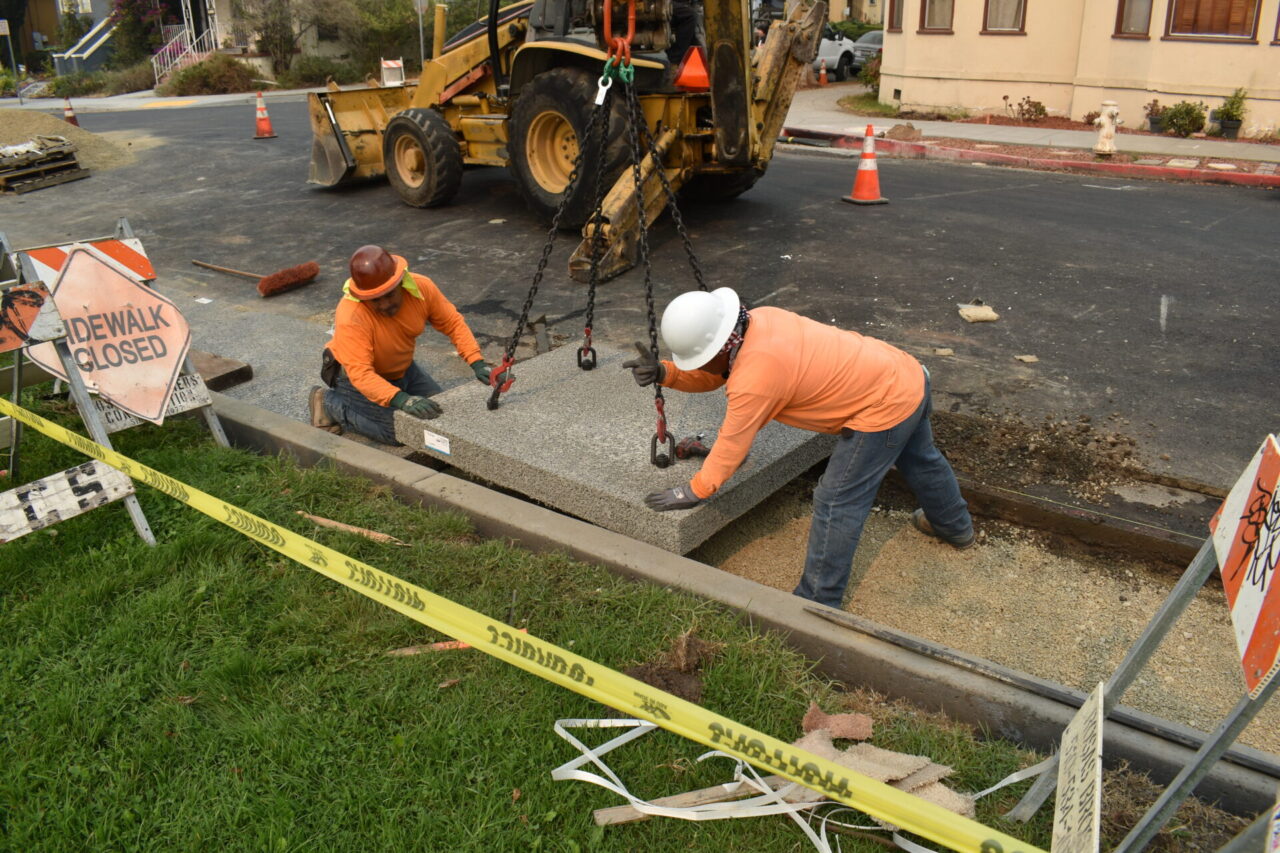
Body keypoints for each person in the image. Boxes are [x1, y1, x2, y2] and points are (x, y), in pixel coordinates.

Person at [624, 287, 974, 609]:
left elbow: (733, 443)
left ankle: (817, 603)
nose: (696, 366)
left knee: (837, 499)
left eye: (697, 358)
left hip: (882, 408)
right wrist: (666, 373)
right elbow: (717, 371)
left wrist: (694, 490)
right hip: (907, 374)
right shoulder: (761, 320)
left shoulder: (756, 378)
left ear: (718, 347)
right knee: (922, 461)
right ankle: (954, 526)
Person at [309, 245, 504, 445]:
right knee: (400, 433)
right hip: (353, 378)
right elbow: (361, 374)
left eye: (389, 295)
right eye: (375, 300)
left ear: (401, 282)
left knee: (442, 411)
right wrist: (402, 399)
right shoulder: (351, 315)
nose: (384, 305)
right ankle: (327, 403)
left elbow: (452, 323)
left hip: (402, 368)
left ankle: (396, 390)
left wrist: (476, 361)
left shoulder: (422, 288)